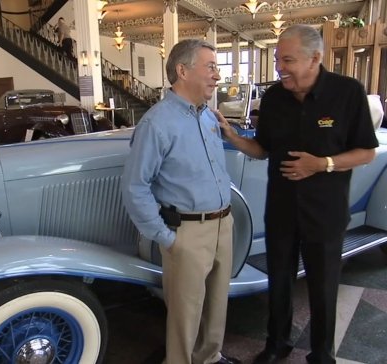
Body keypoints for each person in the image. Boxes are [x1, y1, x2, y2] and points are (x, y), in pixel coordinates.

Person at [217, 24, 379, 364]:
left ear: (315, 58)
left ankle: (322, 354)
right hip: (281, 209)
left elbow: (366, 152)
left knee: (323, 286)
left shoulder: (347, 92)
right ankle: (277, 344)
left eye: (287, 60)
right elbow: (262, 149)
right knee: (279, 281)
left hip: (325, 211)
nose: (279, 67)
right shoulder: (274, 97)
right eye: (277, 59)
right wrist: (233, 137)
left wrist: (323, 164)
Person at [121, 39, 240, 364]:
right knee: (185, 315)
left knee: (217, 304)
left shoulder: (208, 118)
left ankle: (210, 357)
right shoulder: (157, 124)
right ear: (182, 70)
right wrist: (166, 238)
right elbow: (135, 187)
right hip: (187, 234)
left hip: (222, 226)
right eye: (211, 67)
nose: (218, 76)